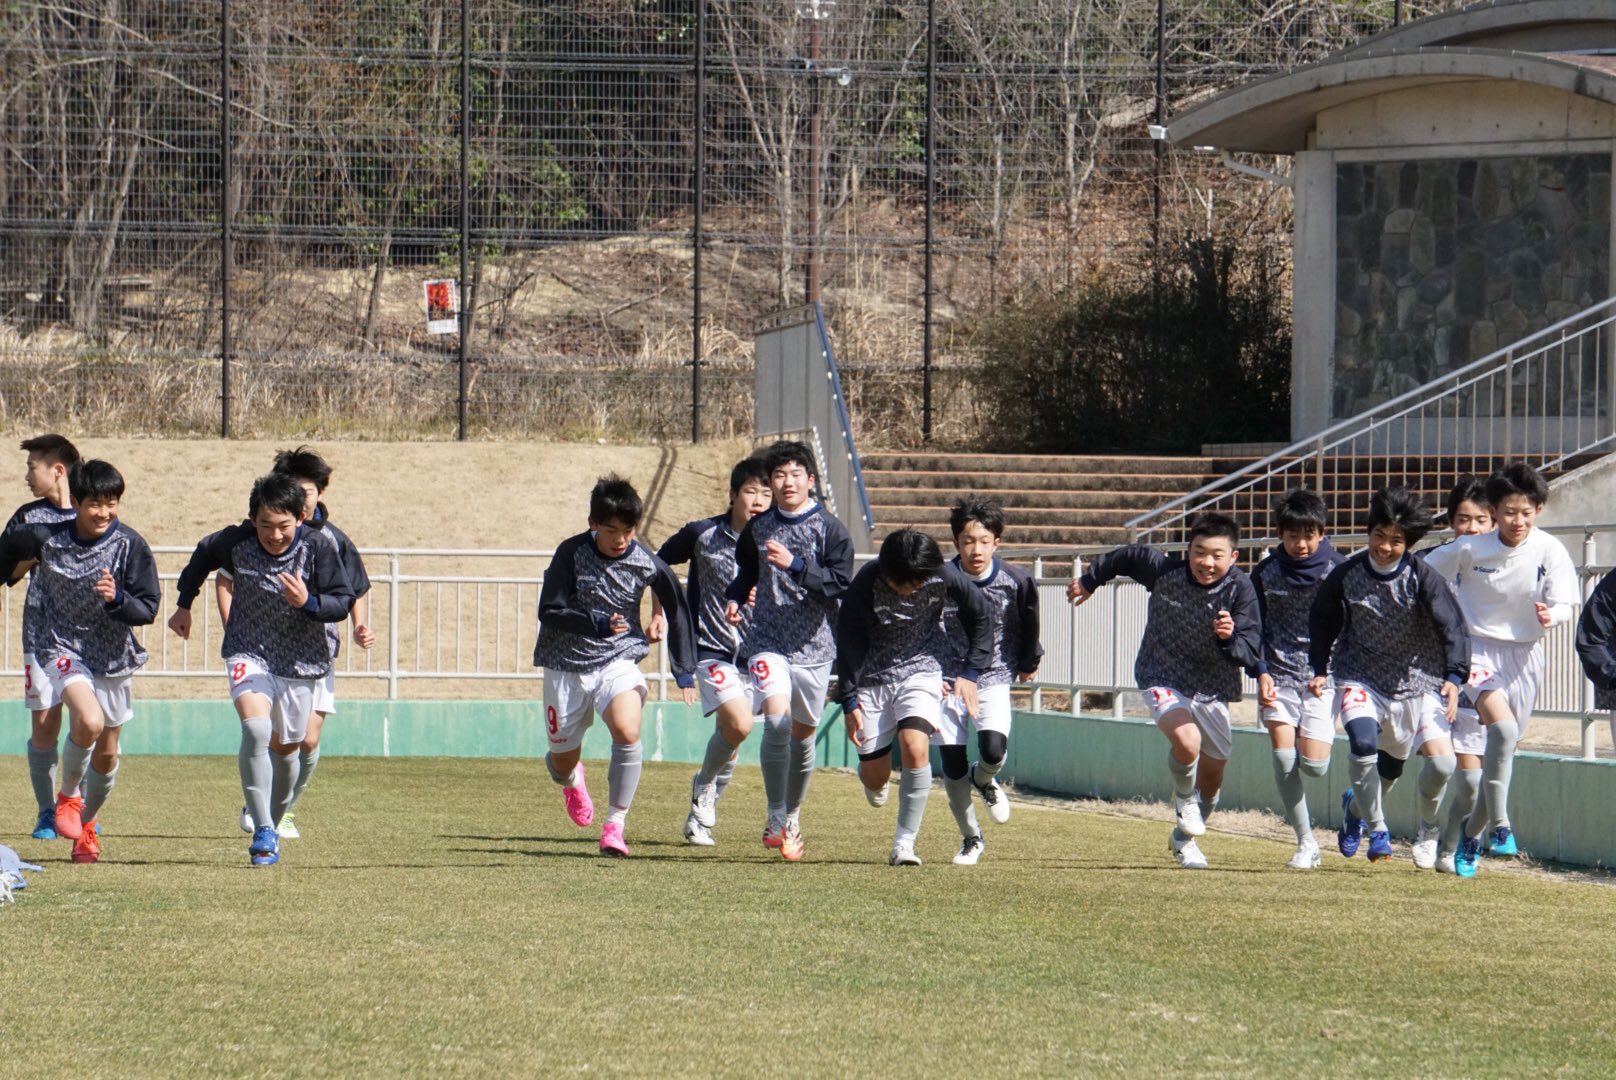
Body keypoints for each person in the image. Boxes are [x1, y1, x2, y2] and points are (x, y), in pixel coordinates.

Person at [168, 472, 356, 867]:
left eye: (284, 526)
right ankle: (263, 831)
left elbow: (341, 600)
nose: (274, 535)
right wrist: (185, 603)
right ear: (252, 519)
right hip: (248, 650)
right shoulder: (236, 542)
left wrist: (308, 602)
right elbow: (203, 556)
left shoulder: (319, 548)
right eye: (266, 526)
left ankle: (273, 813)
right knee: (256, 728)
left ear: (300, 519)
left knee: (288, 748)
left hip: (300, 660)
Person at [1067, 513, 1262, 870]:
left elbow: (1250, 650)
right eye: (1199, 551)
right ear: (1188, 550)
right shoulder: (1164, 571)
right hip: (1161, 673)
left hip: (1212, 686)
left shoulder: (1241, 589)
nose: (1206, 562)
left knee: (1214, 774)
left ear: (1233, 558)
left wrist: (1229, 637)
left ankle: (1183, 841)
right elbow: (1126, 556)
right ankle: (1183, 800)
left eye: (1217, 555)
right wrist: (1090, 580)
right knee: (1187, 743)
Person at [1421, 464, 1578, 876]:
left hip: (1526, 656)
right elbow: (1422, 571)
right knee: (1502, 730)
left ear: (1539, 509)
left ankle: (1472, 835)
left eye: (1526, 512)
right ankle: (1502, 825)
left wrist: (1552, 615)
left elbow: (1565, 601)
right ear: (1494, 510)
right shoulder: (1472, 547)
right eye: (1510, 512)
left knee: (1502, 752)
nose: (1518, 521)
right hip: (1477, 652)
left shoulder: (1550, 549)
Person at [0, 459, 159, 864]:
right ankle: (66, 799)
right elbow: (6, 556)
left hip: (112, 655)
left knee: (107, 754)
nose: (104, 512)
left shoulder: (130, 545)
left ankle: (85, 827)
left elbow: (148, 608)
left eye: (112, 503)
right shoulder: (42, 537)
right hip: (61, 648)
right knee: (88, 720)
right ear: (75, 502)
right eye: (94, 503)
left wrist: (118, 598)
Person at [535, 475, 695, 857]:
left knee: (626, 729)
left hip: (617, 659)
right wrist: (595, 622)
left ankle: (615, 826)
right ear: (593, 523)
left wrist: (684, 668)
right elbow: (549, 610)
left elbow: (677, 605)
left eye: (627, 530)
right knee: (560, 763)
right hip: (565, 664)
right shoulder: (570, 553)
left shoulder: (644, 561)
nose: (620, 539)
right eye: (611, 530)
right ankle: (573, 779)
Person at [1308, 486, 1468, 868]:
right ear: (1368, 533)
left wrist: (1453, 676)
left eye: (1396, 540)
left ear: (1408, 543)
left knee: (1434, 766)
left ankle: (1422, 828)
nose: (1384, 546)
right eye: (1378, 536)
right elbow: (1322, 622)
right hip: (1360, 675)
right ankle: (1377, 829)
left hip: (1418, 682)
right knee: (1362, 742)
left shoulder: (1424, 578)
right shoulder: (1346, 575)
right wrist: (1318, 669)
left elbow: (1453, 628)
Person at [222, 446, 375, 839]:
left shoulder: (332, 540)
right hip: (262, 649)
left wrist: (360, 626)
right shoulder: (257, 534)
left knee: (305, 740)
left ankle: (283, 809)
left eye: (308, 490)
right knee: (266, 733)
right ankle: (264, 810)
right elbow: (222, 572)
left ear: (320, 494)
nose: (301, 496)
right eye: (294, 488)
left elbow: (353, 589)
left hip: (314, 651)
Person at [724, 441, 855, 861]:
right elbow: (747, 569)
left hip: (815, 648)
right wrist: (735, 595)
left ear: (810, 480)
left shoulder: (830, 529)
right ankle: (775, 813)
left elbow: (839, 584)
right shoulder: (759, 527)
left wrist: (796, 565)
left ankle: (794, 816)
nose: (786, 482)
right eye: (778, 475)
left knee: (802, 739)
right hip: (767, 640)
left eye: (794, 474)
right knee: (776, 723)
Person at [838, 529, 992, 866]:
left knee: (915, 747)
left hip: (921, 669)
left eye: (917, 583)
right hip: (872, 676)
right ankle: (874, 779)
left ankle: (903, 846)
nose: (910, 590)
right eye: (902, 583)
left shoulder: (943, 575)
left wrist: (969, 672)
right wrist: (848, 699)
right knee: (875, 777)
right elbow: (848, 639)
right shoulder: (867, 581)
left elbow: (981, 616)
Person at [656, 455, 772, 847]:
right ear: (733, 495)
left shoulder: (777, 542)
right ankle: (703, 785)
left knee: (731, 739)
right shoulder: (703, 534)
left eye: (766, 493)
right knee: (738, 726)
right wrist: (659, 613)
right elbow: (655, 564)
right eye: (751, 491)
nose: (758, 500)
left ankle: (697, 819)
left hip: (757, 654)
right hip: (712, 649)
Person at [936, 498, 1041, 865]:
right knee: (951, 763)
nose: (975, 549)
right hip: (946, 679)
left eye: (983, 540)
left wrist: (1030, 659)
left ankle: (984, 779)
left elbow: (1029, 622)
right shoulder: (939, 579)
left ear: (997, 542)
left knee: (994, 751)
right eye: (968, 541)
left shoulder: (1017, 580)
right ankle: (971, 839)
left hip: (993, 674)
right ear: (956, 542)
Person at [1250, 488, 1341, 870]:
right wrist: (1259, 671)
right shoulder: (1266, 572)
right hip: (1278, 675)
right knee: (1283, 755)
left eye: (1308, 535)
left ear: (1322, 533)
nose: (1300, 544)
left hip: (1324, 676)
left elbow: (1350, 624)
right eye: (1292, 535)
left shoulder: (1339, 569)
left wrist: (1328, 670)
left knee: (1315, 766)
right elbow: (1252, 625)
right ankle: (1306, 843)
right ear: (1280, 535)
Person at [5, 434, 82, 840]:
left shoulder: (91, 511)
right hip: (40, 632)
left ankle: (76, 805)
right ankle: (47, 812)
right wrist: (28, 555)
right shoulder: (26, 518)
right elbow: (9, 575)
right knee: (46, 725)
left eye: (32, 466)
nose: (26, 476)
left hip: (89, 638)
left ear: (57, 470)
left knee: (89, 725)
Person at [1426, 477, 1493, 874]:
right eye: (1464, 519)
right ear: (1451, 522)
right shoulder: (1433, 564)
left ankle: (1448, 849)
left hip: (1483, 675)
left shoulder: (1508, 562)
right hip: (1430, 676)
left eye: (1481, 519)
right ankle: (1418, 823)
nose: (1472, 528)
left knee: (1471, 781)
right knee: (1411, 762)